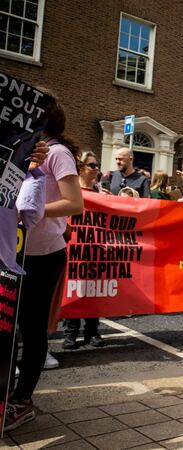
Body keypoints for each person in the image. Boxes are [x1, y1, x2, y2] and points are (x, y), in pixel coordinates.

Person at [5, 93, 84, 432]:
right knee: (6, 328)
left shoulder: (58, 152)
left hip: (41, 254)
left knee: (31, 328)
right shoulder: (18, 151)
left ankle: (22, 401)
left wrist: (32, 212)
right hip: (10, 251)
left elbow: (74, 203)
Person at [62, 151, 106, 350]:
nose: (96, 169)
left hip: (96, 250)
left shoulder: (101, 193)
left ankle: (92, 331)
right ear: (80, 168)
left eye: (97, 165)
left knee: (93, 292)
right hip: (73, 249)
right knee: (72, 290)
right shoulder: (71, 192)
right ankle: (70, 332)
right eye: (92, 165)